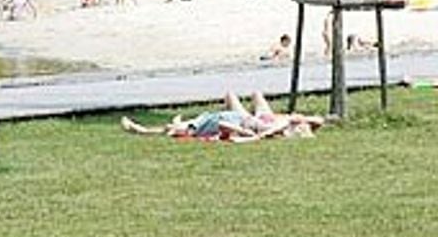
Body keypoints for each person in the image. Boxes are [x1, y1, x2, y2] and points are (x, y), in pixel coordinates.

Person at [120, 91, 324, 142]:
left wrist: (290, 121)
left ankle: (142, 130)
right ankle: (183, 123)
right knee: (246, 95)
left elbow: (261, 135)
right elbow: (319, 121)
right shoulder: (292, 122)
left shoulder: (282, 129)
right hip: (259, 118)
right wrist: (300, 118)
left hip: (247, 122)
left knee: (176, 129)